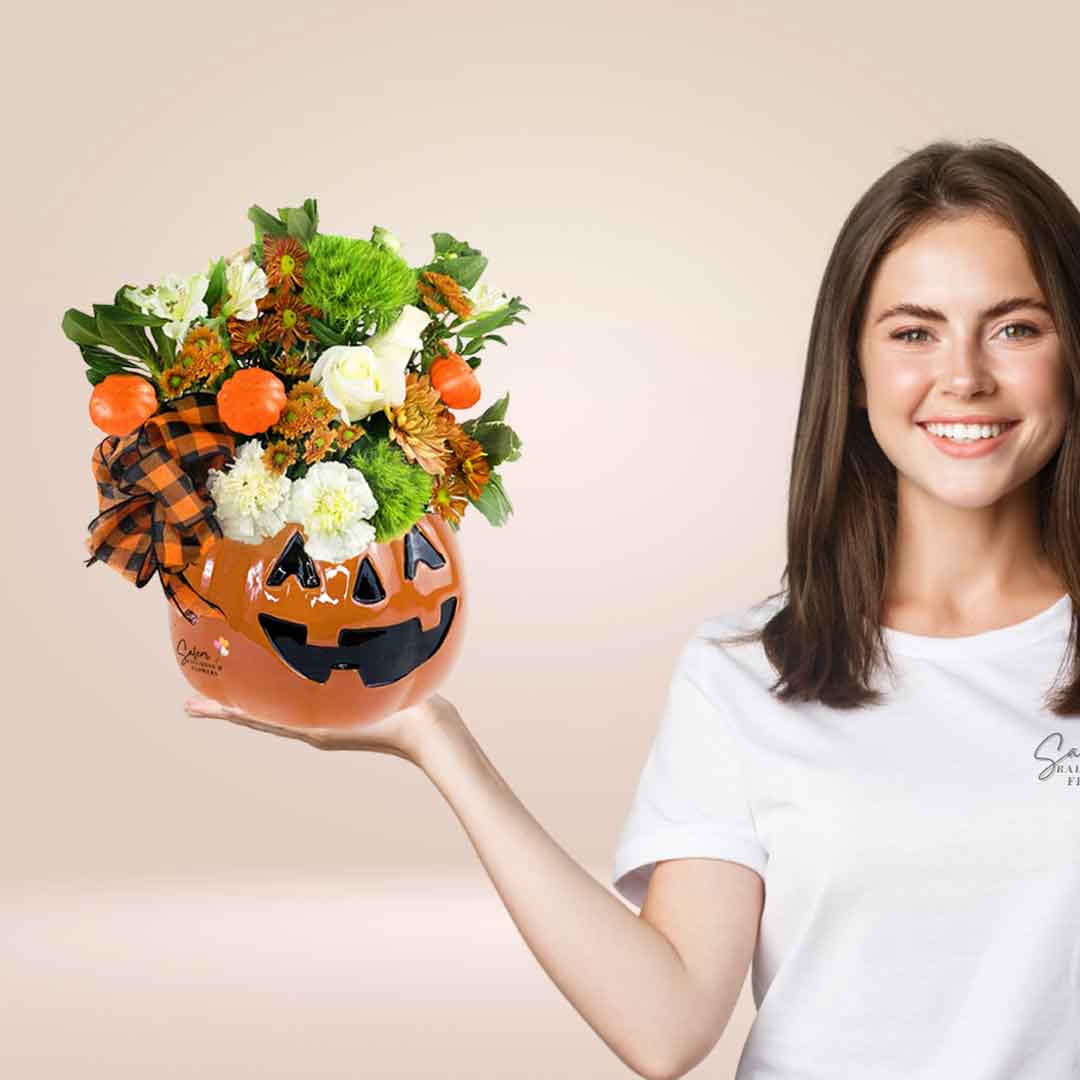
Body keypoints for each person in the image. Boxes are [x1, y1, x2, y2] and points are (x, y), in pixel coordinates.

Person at [184, 138, 1080, 1079]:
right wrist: (433, 739)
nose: (966, 375)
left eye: (1017, 327)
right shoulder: (748, 671)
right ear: (854, 372)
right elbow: (668, 1024)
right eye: (913, 332)